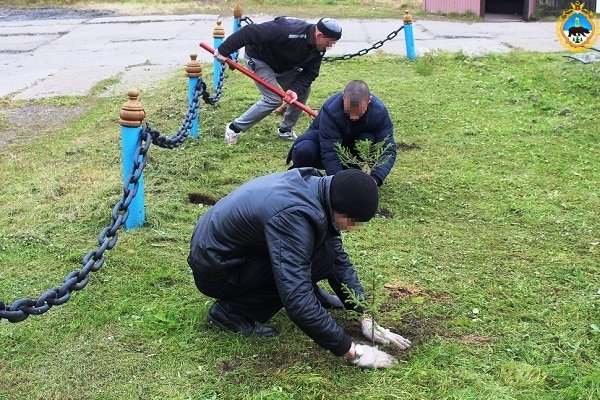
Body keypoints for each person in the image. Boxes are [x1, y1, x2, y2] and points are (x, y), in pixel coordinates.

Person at [188, 168, 411, 369]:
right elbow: (296, 298)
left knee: (324, 256)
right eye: (354, 223)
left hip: (232, 254)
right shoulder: (295, 216)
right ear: (341, 212)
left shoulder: (317, 188)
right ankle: (231, 313)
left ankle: (315, 295)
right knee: (302, 271)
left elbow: (337, 259)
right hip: (218, 270)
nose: (353, 229)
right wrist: (353, 351)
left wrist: (365, 315)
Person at [215, 17, 342, 145]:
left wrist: (294, 90)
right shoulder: (289, 30)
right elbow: (249, 32)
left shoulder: (319, 48)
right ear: (319, 35)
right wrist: (224, 50)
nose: (331, 46)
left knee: (303, 91)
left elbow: (310, 72)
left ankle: (285, 130)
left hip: (284, 66)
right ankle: (234, 128)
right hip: (260, 59)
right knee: (274, 99)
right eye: (330, 42)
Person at [287, 80, 397, 186]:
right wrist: (337, 182)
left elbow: (388, 149)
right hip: (321, 144)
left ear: (369, 101)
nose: (354, 117)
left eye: (359, 113)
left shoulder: (379, 112)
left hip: (352, 150)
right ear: (343, 97)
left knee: (367, 139)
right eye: (349, 111)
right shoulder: (331, 108)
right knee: (304, 150)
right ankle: (300, 176)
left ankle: (350, 174)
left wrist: (375, 179)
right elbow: (330, 149)